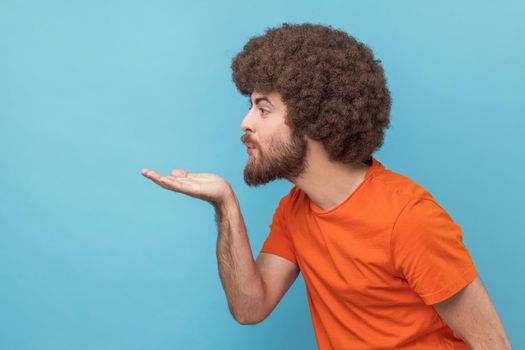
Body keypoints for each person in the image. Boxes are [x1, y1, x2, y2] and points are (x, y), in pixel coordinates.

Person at [141, 23, 511, 349]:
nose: (245, 122)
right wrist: (225, 206)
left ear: (312, 119)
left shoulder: (408, 218)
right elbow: (249, 307)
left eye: (263, 109)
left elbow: (492, 344)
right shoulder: (295, 209)